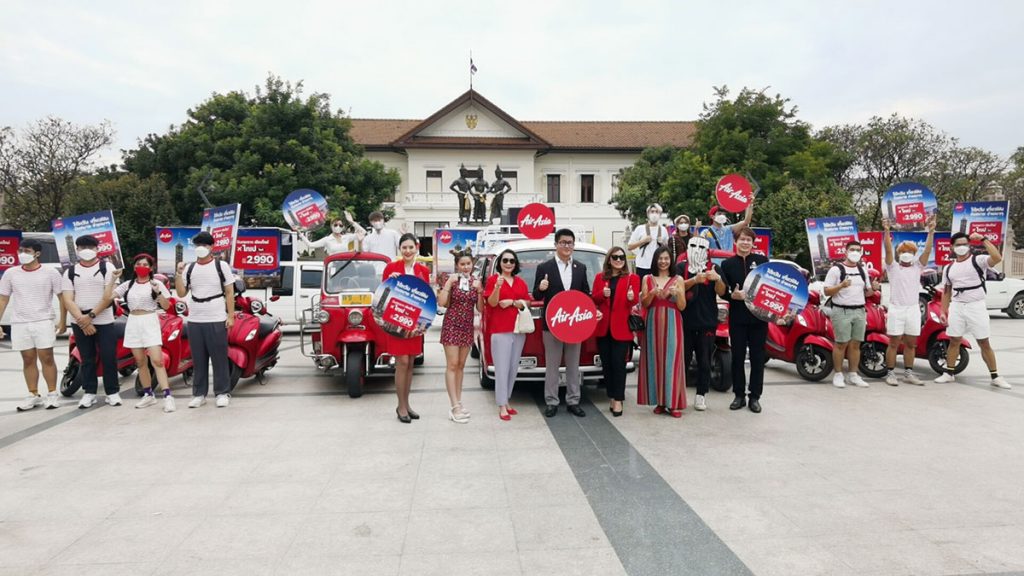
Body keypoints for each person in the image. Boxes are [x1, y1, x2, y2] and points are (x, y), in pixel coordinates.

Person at [934, 232, 1011, 389]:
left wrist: (983, 239)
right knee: (954, 340)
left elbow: (997, 258)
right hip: (957, 306)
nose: (962, 247)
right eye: (958, 244)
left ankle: (995, 376)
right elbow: (947, 291)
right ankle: (949, 373)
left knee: (983, 341)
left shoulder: (978, 260)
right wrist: (943, 311)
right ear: (952, 247)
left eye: (965, 244)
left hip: (976, 305)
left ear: (969, 245)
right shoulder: (949, 268)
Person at [0, 239, 65, 411]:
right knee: (28, 359)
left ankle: (52, 393)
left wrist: (63, 321)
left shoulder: (51, 273)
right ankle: (33, 394)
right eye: (20, 250)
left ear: (37, 253)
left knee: (47, 357)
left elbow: (62, 297)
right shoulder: (10, 273)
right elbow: (3, 299)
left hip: (43, 320)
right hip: (20, 322)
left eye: (27, 251)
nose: (22, 254)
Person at [533, 228, 591, 418]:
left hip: (574, 324)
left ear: (574, 245)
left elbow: (585, 295)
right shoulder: (544, 268)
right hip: (552, 324)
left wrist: (592, 311)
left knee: (573, 365)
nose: (567, 246)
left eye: (570, 243)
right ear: (556, 244)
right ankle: (551, 401)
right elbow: (536, 295)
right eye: (563, 242)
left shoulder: (581, 268)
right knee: (552, 365)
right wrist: (541, 288)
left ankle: (573, 400)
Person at [174, 232, 236, 408]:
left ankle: (222, 392)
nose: (201, 248)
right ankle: (199, 394)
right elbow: (181, 293)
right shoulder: (189, 268)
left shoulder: (221, 266)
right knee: (198, 358)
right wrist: (178, 274)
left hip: (216, 316)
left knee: (219, 357)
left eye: (205, 245)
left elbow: (229, 292)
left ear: (212, 247)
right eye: (198, 245)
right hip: (195, 318)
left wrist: (230, 316)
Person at [106, 254, 175, 412]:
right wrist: (112, 280)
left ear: (151, 268)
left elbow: (167, 306)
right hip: (133, 322)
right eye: (138, 264)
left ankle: (167, 396)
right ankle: (148, 394)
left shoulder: (156, 283)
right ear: (134, 266)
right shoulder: (128, 284)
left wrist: (158, 293)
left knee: (157, 361)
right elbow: (109, 297)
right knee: (140, 361)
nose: (141, 267)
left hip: (149, 320)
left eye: (145, 264)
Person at [61, 234, 121, 409]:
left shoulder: (107, 267)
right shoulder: (70, 271)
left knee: (108, 356)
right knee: (86, 358)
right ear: (77, 250)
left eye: (90, 247)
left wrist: (91, 317)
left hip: (104, 320)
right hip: (79, 321)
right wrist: (83, 321)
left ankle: (112, 392)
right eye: (82, 248)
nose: (86, 250)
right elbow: (68, 299)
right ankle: (89, 392)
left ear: (97, 249)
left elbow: (108, 297)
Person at [716, 227, 769, 413]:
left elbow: (770, 288)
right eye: (742, 239)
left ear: (753, 243)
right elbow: (723, 291)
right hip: (737, 317)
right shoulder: (727, 264)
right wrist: (732, 295)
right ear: (735, 242)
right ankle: (739, 395)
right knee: (737, 358)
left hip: (759, 318)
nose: (745, 243)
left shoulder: (762, 261)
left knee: (757, 358)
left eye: (748, 240)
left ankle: (755, 397)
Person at [382, 233, 431, 422]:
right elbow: (382, 295)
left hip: (415, 323)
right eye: (404, 247)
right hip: (396, 320)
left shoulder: (422, 270)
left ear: (416, 248)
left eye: (411, 247)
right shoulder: (391, 268)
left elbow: (427, 298)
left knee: (410, 362)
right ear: (400, 249)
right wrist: (390, 281)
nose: (408, 251)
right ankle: (401, 406)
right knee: (401, 362)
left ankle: (406, 404)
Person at [881, 216, 934, 386]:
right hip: (896, 308)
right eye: (904, 251)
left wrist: (931, 232)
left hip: (912, 309)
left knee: (911, 344)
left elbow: (927, 251)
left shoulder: (918, 266)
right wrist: (887, 230)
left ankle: (908, 373)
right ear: (899, 254)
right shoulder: (892, 267)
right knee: (894, 343)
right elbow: (888, 250)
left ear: (914, 254)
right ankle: (890, 373)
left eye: (910, 252)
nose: (907, 254)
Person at [823, 240, 879, 389]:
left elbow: (867, 293)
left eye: (858, 250)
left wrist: (874, 289)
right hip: (841, 310)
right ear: (846, 251)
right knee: (841, 343)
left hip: (859, 310)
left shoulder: (862, 270)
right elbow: (826, 291)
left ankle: (853, 374)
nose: (855, 252)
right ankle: (838, 374)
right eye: (852, 249)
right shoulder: (836, 270)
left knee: (856, 344)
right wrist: (841, 285)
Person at [591, 246, 640, 417]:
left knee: (619, 365)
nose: (618, 260)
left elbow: (634, 302)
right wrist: (602, 294)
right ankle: (611, 396)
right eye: (615, 257)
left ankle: (618, 399)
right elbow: (594, 299)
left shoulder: (632, 278)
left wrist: (631, 298)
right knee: (607, 365)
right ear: (609, 259)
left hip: (622, 329)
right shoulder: (600, 277)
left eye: (621, 257)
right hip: (603, 328)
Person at [639, 246, 686, 416]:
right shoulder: (647, 278)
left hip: (673, 322)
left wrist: (678, 294)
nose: (663, 261)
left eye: (666, 258)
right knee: (655, 360)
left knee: (672, 360)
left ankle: (673, 403)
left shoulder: (678, 279)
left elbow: (682, 306)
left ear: (671, 260)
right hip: (653, 322)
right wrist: (652, 293)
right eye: (660, 258)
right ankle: (659, 401)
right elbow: (645, 304)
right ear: (655, 260)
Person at [484, 249, 531, 421]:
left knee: (512, 367)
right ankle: (501, 404)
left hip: (518, 329)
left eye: (512, 261)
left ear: (515, 264)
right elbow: (492, 302)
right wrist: (497, 287)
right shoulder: (493, 280)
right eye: (505, 260)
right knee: (502, 369)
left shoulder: (520, 282)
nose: (508, 263)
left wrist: (512, 302)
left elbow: (527, 302)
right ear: (500, 263)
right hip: (500, 329)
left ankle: (507, 400)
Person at [677, 235, 722, 412]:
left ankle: (701, 394)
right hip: (685, 322)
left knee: (704, 361)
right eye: (693, 245)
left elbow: (722, 291)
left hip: (707, 322)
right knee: (683, 360)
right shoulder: (681, 267)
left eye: (701, 247)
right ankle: (679, 394)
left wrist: (717, 279)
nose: (697, 250)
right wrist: (695, 280)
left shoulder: (714, 268)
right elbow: (677, 287)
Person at [438, 249, 481, 423]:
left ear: (472, 265)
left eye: (468, 264)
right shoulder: (451, 280)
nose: (465, 267)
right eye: (462, 264)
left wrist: (479, 290)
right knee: (452, 364)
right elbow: (442, 303)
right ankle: (454, 406)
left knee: (461, 365)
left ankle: (459, 402)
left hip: (467, 327)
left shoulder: (475, 281)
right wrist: (449, 283)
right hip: (451, 325)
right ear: (457, 265)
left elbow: (480, 308)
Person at [627, 204, 669, 279]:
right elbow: (629, 246)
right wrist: (642, 241)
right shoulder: (640, 228)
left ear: (660, 214)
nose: (654, 214)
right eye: (652, 211)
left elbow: (667, 249)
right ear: (647, 214)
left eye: (657, 212)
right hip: (642, 265)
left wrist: (661, 243)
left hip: (658, 265)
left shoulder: (663, 230)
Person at [301, 211, 366, 255]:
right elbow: (310, 245)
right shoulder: (327, 239)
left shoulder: (347, 237)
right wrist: (300, 234)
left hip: (346, 266)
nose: (338, 227)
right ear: (331, 226)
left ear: (343, 227)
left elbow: (363, 232)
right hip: (334, 267)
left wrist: (352, 222)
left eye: (340, 225)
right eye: (335, 225)